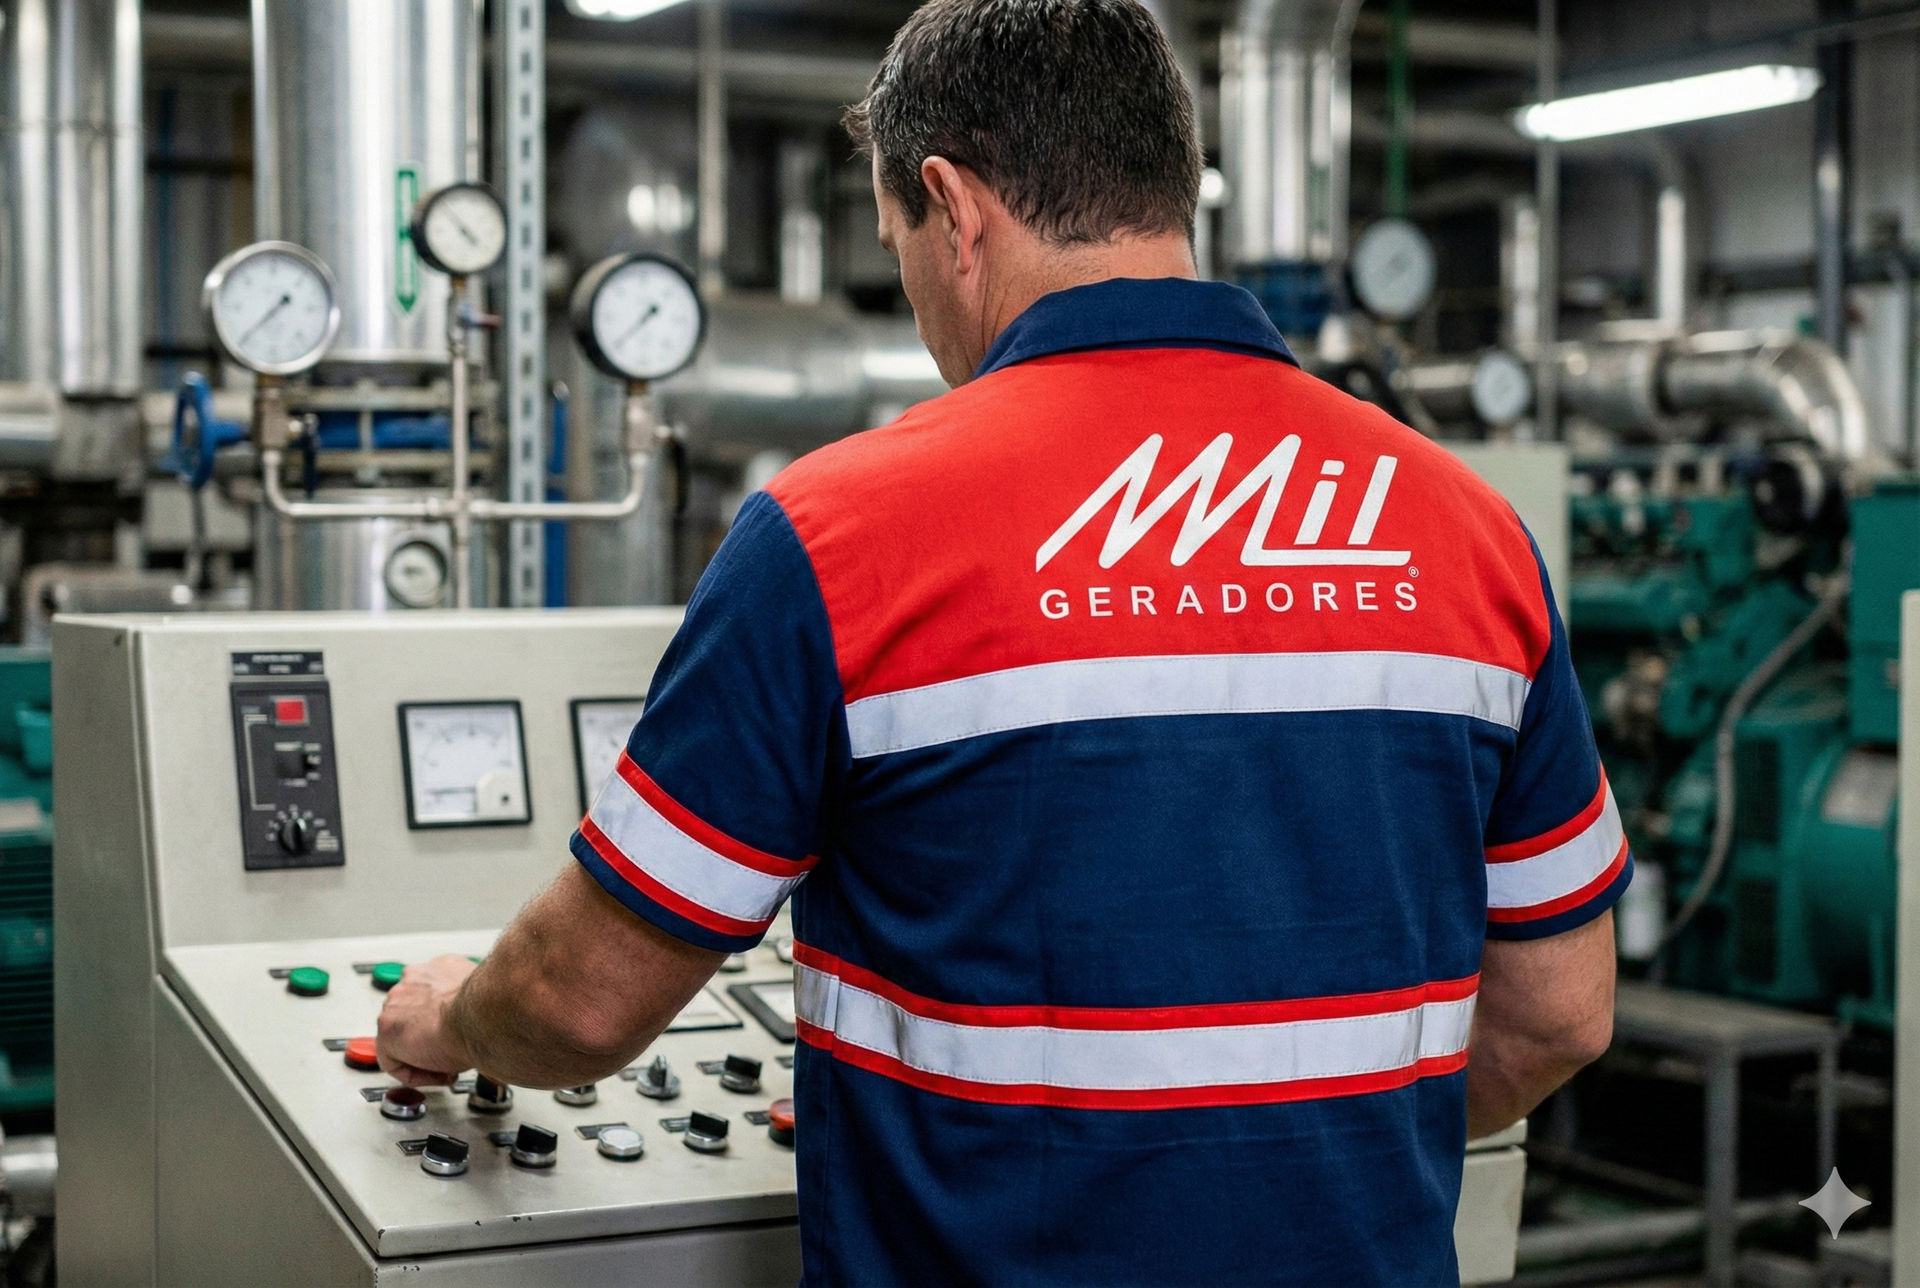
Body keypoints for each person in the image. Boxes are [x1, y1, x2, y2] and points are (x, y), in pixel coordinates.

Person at [376, 1, 1623, 1282]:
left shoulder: (839, 536)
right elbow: (1560, 1015)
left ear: (953, 208)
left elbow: (583, 1001)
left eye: (897, 248)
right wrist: (1311, 1160)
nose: (915, 298)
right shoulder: (1471, 530)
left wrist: (453, 1016)